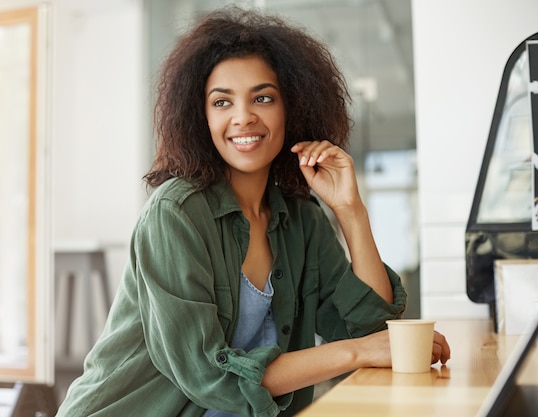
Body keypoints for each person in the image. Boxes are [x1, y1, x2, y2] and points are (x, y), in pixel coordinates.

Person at [56, 5, 451, 417]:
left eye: (262, 98)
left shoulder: (303, 219)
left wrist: (350, 211)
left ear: (292, 108)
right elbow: (210, 375)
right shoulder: (175, 214)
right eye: (222, 102)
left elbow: (370, 331)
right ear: (201, 117)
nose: (243, 117)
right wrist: (356, 352)